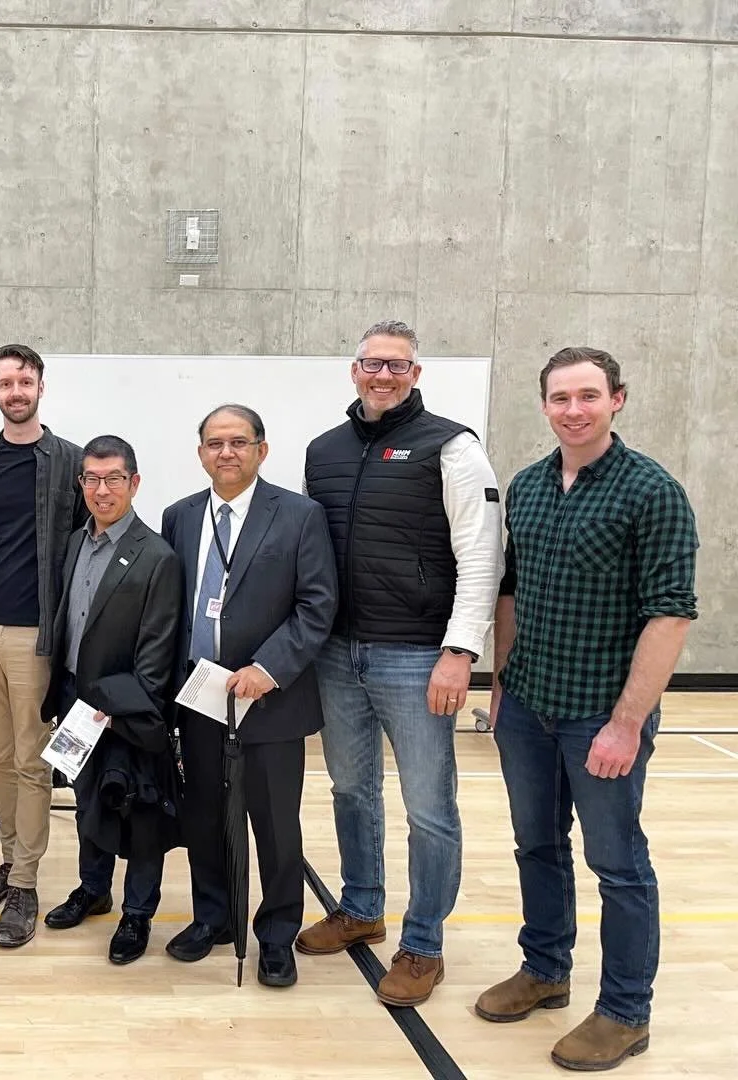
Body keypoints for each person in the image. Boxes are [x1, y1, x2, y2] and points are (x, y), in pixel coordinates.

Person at [478, 348, 698, 1072]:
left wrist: (627, 723)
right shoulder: (529, 486)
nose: (573, 410)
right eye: (560, 398)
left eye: (588, 396)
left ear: (616, 400)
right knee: (536, 846)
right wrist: (502, 682)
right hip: (527, 705)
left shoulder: (652, 492)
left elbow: (670, 614)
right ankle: (545, 969)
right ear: (544, 404)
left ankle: (626, 1012)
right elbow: (511, 591)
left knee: (618, 865)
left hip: (600, 716)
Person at [298, 319, 504, 1005]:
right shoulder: (323, 451)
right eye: (372, 363)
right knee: (350, 790)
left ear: (415, 374)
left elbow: (482, 556)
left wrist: (460, 651)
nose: (382, 375)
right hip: (337, 655)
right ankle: (361, 907)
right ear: (354, 370)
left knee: (429, 809)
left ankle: (423, 944)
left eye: (396, 365)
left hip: (418, 657)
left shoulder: (452, 446)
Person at [161, 404, 337, 987]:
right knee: (205, 816)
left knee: (275, 825)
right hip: (201, 698)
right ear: (200, 453)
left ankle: (277, 934)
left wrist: (268, 667)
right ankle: (213, 916)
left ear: (262, 449)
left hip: (270, 701)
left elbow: (317, 605)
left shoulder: (300, 515)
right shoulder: (180, 516)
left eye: (239, 442)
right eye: (215, 443)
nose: (226, 452)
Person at [0, 344, 87, 949]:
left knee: (33, 763)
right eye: (6, 382)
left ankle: (26, 884)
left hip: (38, 637)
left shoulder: (70, 461)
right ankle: (10, 862)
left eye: (25, 381)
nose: (16, 391)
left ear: (40, 387)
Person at [42, 435, 183, 964]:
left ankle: (138, 913)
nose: (102, 490)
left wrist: (122, 706)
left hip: (126, 708)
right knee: (87, 802)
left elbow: (157, 651)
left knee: (138, 809)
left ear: (134, 483)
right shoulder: (75, 543)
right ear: (81, 483)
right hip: (76, 701)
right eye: (92, 479)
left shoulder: (157, 556)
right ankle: (93, 888)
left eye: (114, 479)